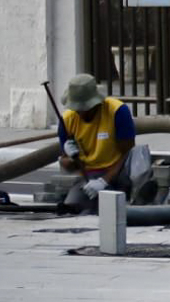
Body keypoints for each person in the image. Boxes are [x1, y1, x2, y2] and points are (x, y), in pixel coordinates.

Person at [56, 74, 155, 213]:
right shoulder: (67, 120)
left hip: (120, 171)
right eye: (77, 109)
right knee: (72, 208)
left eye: (85, 108)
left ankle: (139, 202)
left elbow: (127, 152)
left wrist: (104, 181)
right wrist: (68, 157)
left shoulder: (117, 111)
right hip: (89, 177)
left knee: (139, 153)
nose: (81, 113)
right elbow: (66, 165)